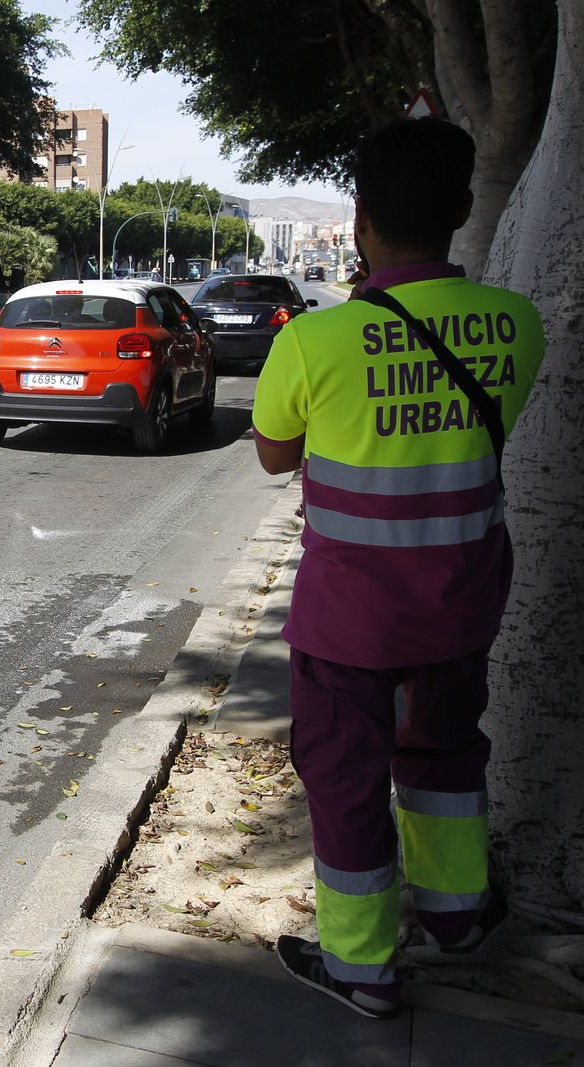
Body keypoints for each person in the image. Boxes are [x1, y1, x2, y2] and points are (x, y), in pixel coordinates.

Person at [250, 117, 547, 1019]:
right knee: (446, 755)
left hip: (350, 620)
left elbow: (273, 455)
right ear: (459, 209)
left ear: (361, 220)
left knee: (346, 781)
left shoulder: (315, 340)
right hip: (461, 602)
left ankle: (364, 967)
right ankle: (456, 917)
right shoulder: (517, 325)